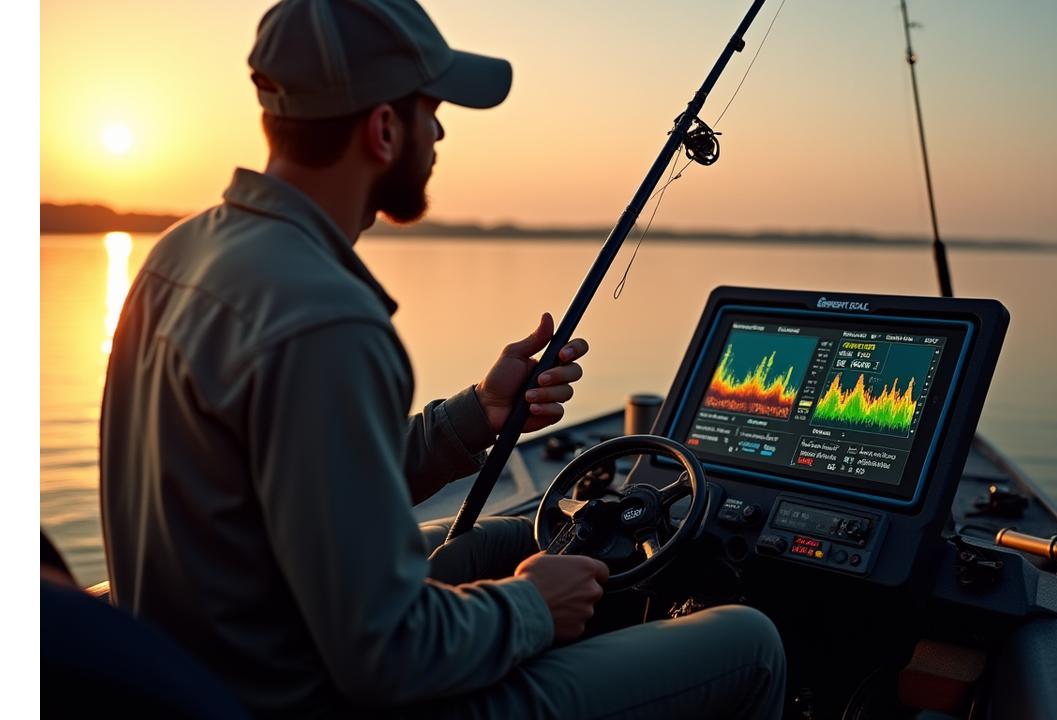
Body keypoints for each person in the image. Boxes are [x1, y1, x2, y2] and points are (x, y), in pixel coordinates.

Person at [99, 0, 787, 717]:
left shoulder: (179, 255)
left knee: (520, 537)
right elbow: (388, 656)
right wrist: (532, 607)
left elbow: (311, 475)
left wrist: (477, 415)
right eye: (431, 109)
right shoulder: (327, 319)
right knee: (749, 642)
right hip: (308, 696)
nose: (440, 131)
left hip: (212, 668)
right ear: (384, 129)